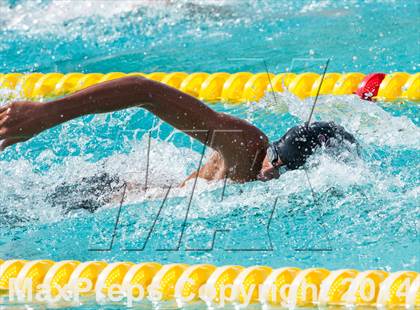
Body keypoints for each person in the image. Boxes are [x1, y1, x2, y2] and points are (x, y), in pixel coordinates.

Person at [0, 76, 357, 185]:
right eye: (276, 163)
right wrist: (46, 114)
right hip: (96, 197)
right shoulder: (247, 145)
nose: (272, 173)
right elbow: (143, 91)